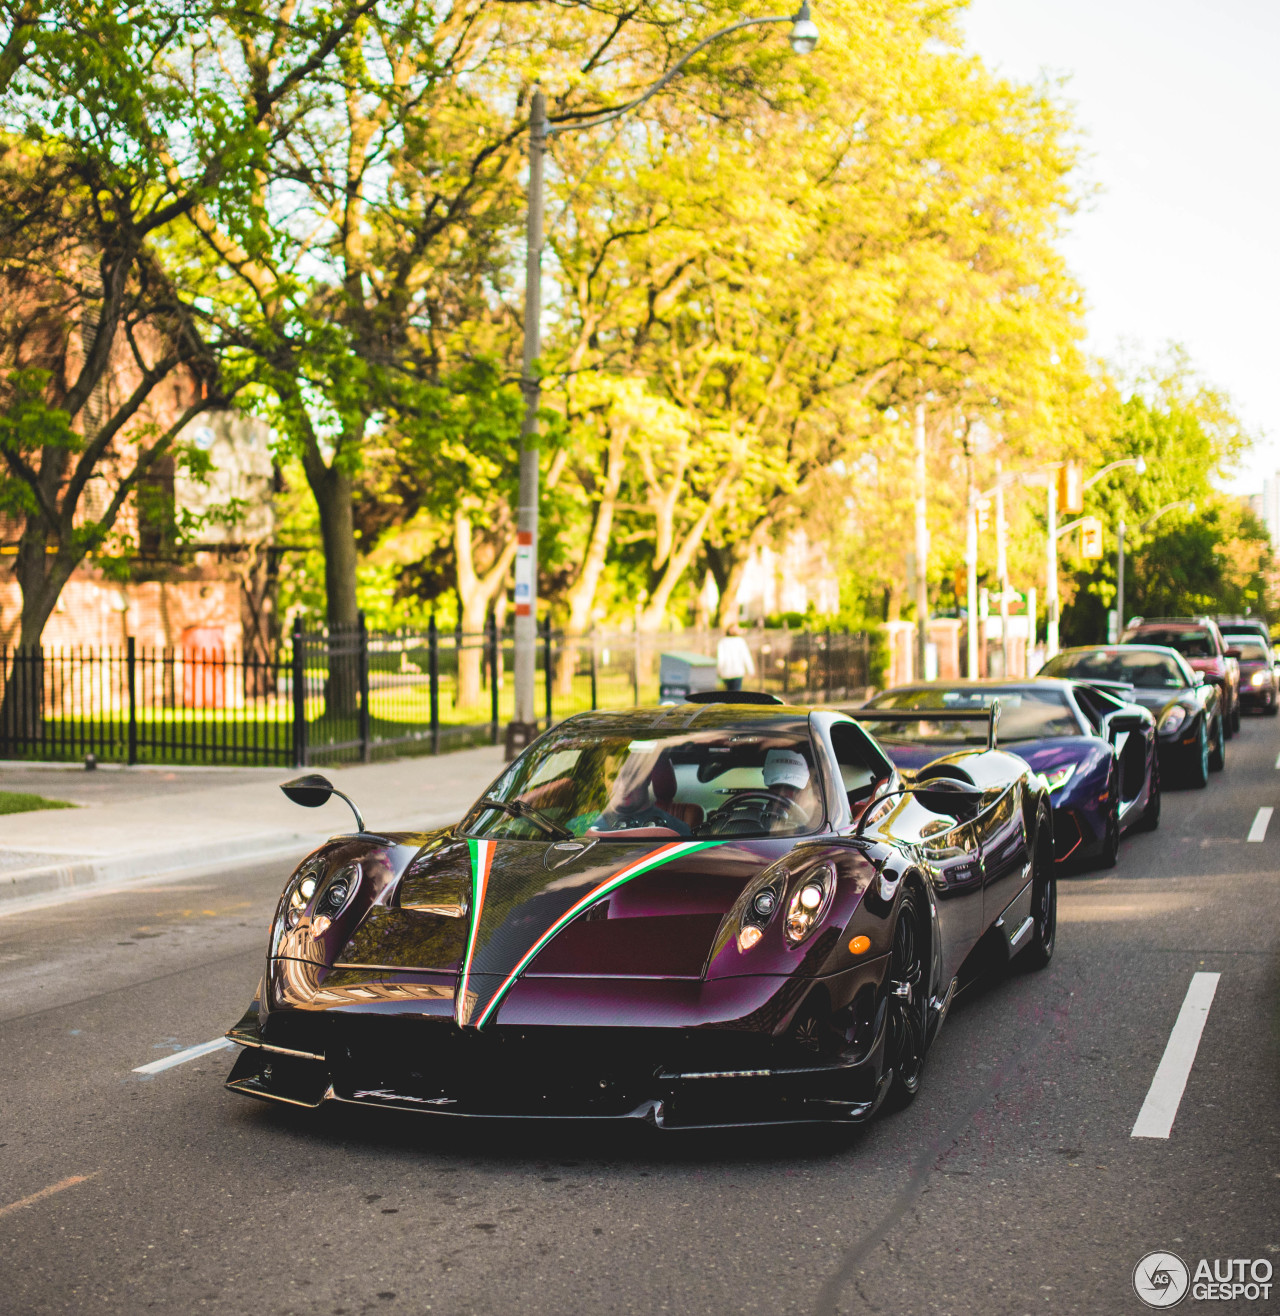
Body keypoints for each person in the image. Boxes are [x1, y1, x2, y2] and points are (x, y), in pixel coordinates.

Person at [716, 622, 755, 692]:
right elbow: (746, 657)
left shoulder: (722, 642)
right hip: (737, 672)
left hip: (726, 673)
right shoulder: (740, 641)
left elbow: (720, 659)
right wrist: (751, 670)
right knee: (736, 694)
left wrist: (719, 671)